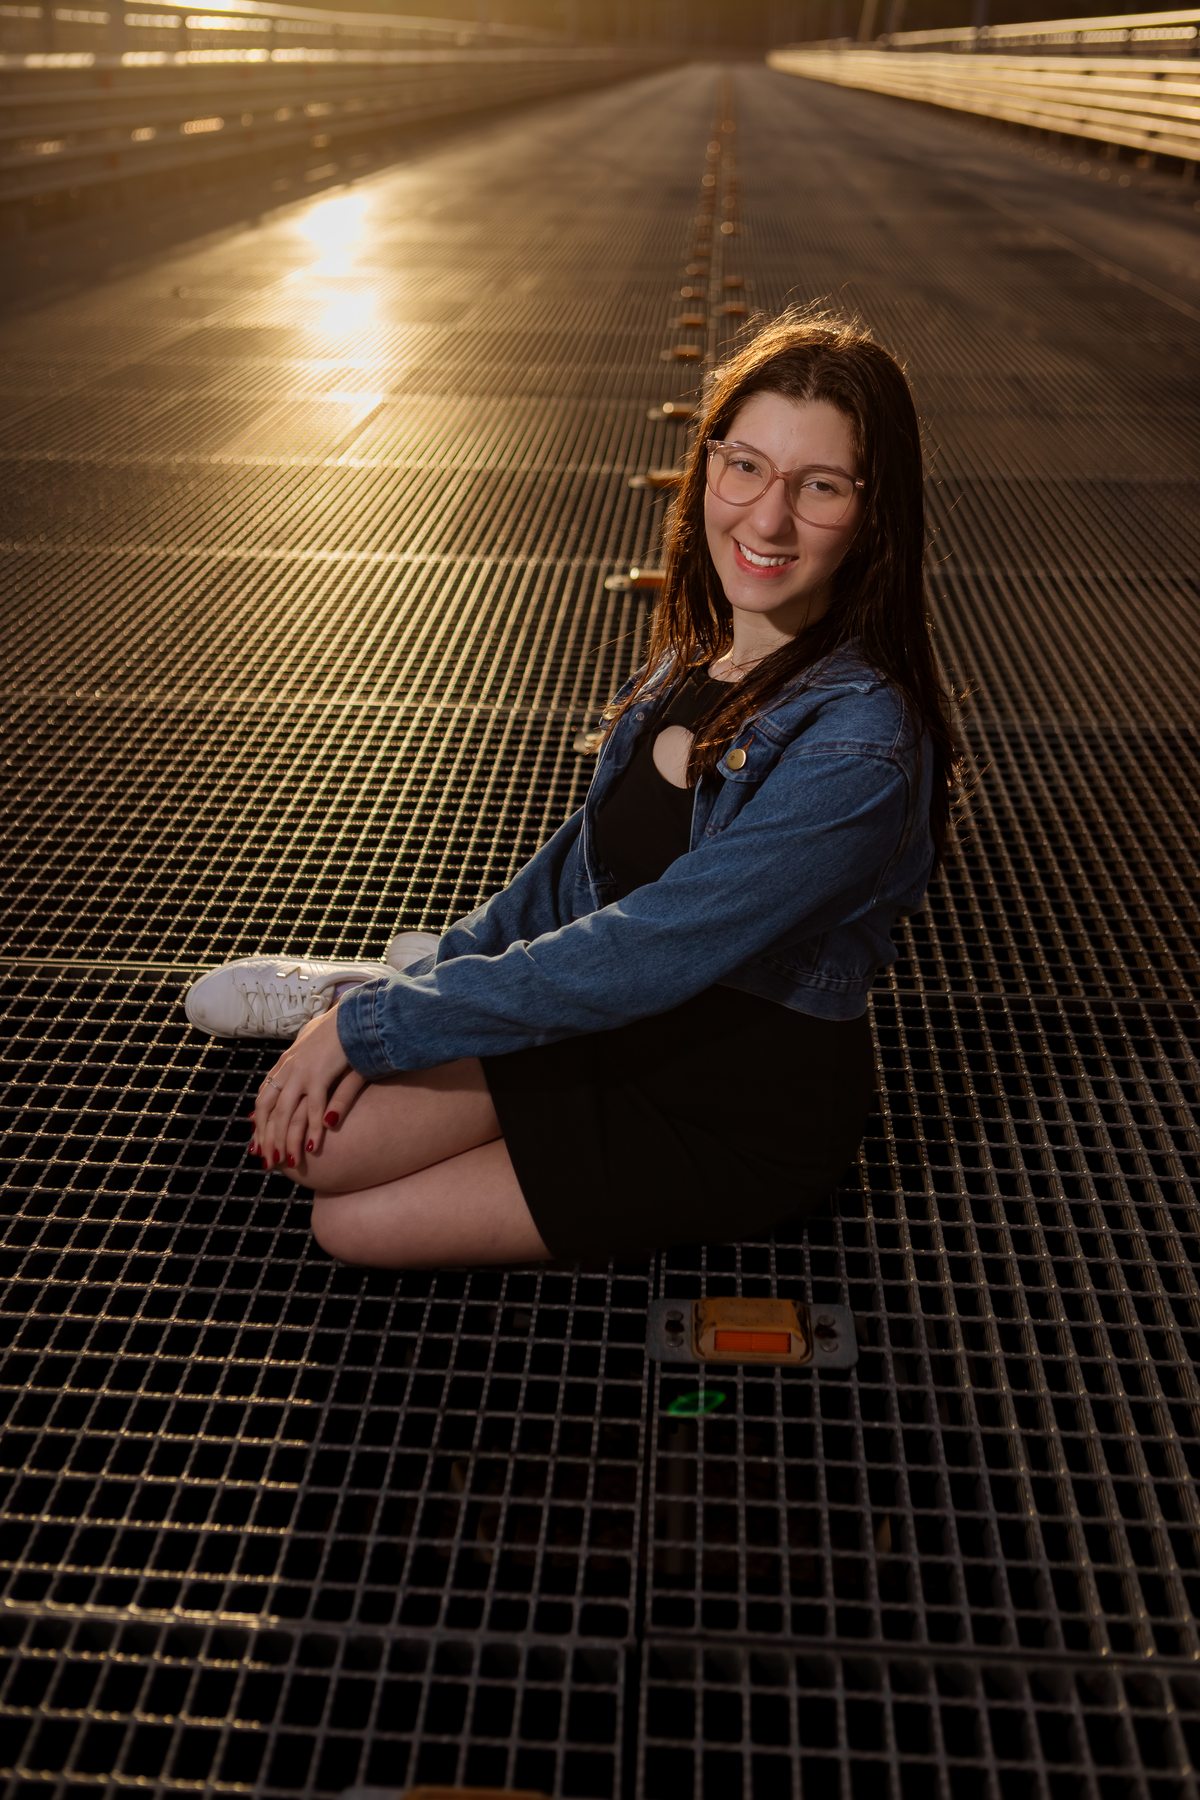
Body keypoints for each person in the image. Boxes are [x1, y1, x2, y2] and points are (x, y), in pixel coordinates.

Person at [184, 309, 957, 1270]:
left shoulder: (862, 748)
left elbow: (653, 944)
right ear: (710, 467)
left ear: (875, 512)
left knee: (349, 1225)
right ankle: (391, 980)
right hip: (609, 1021)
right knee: (326, 1156)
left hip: (728, 1110)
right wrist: (416, 991)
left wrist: (375, 1031)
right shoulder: (699, 656)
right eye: (746, 466)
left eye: (821, 487)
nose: (767, 519)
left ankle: (390, 1003)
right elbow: (577, 867)